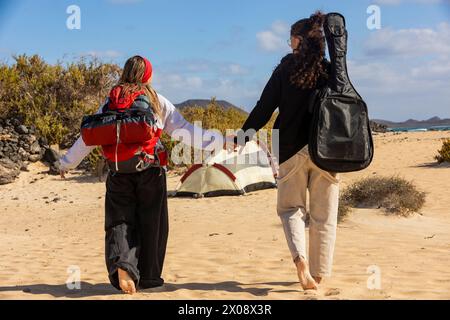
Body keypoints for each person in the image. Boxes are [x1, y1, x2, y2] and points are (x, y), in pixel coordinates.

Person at [58, 55, 221, 294]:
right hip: (150, 170)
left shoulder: (110, 100)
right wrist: (219, 142)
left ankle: (123, 267)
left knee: (120, 221)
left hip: (117, 171)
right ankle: (150, 278)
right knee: (153, 223)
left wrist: (66, 163)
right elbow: (185, 131)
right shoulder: (155, 99)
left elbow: (89, 136)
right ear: (147, 75)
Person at [228, 11, 339, 290]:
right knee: (324, 215)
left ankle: (301, 263)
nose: (288, 42)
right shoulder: (330, 69)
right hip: (325, 149)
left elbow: (264, 107)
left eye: (290, 37)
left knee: (291, 209)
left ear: (298, 40)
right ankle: (320, 274)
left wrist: (242, 137)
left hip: (288, 147)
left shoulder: (285, 68)